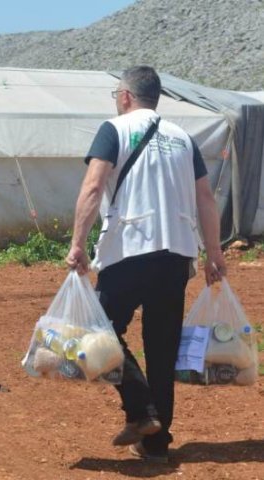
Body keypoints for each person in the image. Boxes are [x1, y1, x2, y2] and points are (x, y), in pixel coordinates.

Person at [65, 66, 227, 463]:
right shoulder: (183, 138)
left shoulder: (114, 130)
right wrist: (215, 253)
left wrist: (78, 244)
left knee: (98, 331)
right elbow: (206, 199)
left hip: (130, 248)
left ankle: (141, 411)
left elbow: (93, 186)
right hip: (177, 255)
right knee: (161, 346)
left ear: (124, 97)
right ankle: (156, 444)